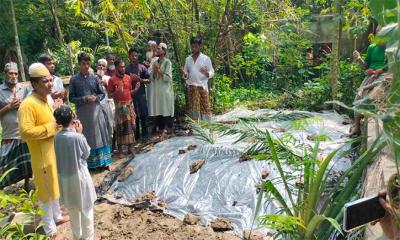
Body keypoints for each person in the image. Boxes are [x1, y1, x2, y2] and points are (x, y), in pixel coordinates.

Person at [18, 63, 69, 240]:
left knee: (54, 185)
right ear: (34, 84)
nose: (50, 84)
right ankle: (50, 229)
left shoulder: (46, 100)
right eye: (45, 81)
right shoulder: (27, 105)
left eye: (50, 80)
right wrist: (51, 127)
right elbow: (25, 132)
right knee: (45, 192)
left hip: (52, 152)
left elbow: (52, 119)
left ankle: (57, 216)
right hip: (41, 156)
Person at [54, 105, 97, 240]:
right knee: (86, 210)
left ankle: (77, 237)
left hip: (65, 177)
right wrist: (80, 133)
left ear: (58, 122)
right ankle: (88, 237)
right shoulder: (77, 137)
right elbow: (86, 154)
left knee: (73, 210)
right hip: (80, 177)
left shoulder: (56, 137)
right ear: (73, 119)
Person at [69, 52, 112, 170]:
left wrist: (95, 98)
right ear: (79, 64)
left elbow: (102, 94)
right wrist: (83, 99)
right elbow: (71, 98)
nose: (86, 66)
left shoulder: (94, 78)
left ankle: (106, 162)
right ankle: (90, 165)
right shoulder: (74, 80)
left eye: (88, 63)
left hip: (96, 111)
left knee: (101, 135)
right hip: (83, 113)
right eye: (83, 63)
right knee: (87, 137)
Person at [0, 62, 32, 190]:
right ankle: (3, 188)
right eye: (10, 73)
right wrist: (9, 107)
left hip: (24, 131)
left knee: (26, 162)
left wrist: (22, 105)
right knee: (5, 162)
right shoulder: (0, 91)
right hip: (9, 133)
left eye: (16, 73)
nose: (13, 76)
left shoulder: (23, 89)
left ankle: (26, 185)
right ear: (5, 74)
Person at [350, 42, 387, 136]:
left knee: (369, 96)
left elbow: (393, 64)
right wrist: (359, 58)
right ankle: (357, 127)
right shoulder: (372, 47)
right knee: (358, 99)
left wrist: (380, 71)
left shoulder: (392, 48)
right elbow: (365, 67)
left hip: (384, 75)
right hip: (371, 75)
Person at [107, 59, 139, 156]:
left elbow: (129, 92)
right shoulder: (111, 80)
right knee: (120, 128)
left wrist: (136, 89)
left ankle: (130, 148)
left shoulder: (128, 78)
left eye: (124, 66)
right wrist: (117, 92)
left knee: (131, 127)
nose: (123, 68)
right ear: (116, 68)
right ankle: (120, 150)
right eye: (121, 67)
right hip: (119, 106)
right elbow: (109, 95)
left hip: (129, 105)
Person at [182, 37, 214, 121]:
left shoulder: (206, 58)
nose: (194, 48)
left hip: (202, 87)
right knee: (193, 108)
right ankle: (195, 128)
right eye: (192, 46)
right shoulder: (188, 59)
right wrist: (185, 74)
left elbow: (212, 72)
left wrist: (207, 73)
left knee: (205, 107)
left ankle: (207, 127)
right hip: (192, 88)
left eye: (196, 46)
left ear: (200, 46)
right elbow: (186, 74)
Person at [148, 43, 174, 137]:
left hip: (165, 91)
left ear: (164, 51)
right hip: (158, 91)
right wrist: (155, 71)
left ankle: (168, 129)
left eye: (159, 49)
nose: (157, 50)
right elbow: (153, 78)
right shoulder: (155, 62)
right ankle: (161, 130)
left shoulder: (167, 62)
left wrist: (158, 70)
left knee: (166, 109)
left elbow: (168, 78)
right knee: (159, 109)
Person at [126, 47, 150, 140]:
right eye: (132, 56)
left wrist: (139, 79)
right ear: (129, 56)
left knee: (144, 114)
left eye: (136, 55)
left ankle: (145, 135)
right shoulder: (126, 69)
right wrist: (130, 79)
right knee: (134, 116)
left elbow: (149, 80)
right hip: (131, 95)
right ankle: (136, 136)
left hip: (141, 94)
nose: (134, 57)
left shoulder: (142, 67)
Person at [96, 59, 115, 146]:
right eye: (99, 65)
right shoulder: (92, 78)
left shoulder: (109, 79)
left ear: (106, 68)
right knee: (99, 127)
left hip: (108, 104)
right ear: (96, 66)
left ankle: (111, 145)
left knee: (110, 125)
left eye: (103, 66)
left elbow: (112, 93)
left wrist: (106, 85)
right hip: (97, 106)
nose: (101, 67)